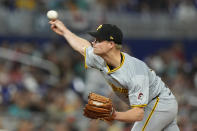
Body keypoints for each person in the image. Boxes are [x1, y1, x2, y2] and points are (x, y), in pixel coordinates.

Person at [49, 20, 180, 131]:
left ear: (111, 44)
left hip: (159, 104)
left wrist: (113, 115)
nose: (94, 43)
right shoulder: (100, 58)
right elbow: (82, 47)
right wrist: (64, 31)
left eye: (98, 40)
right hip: (156, 105)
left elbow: (138, 114)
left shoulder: (135, 72)